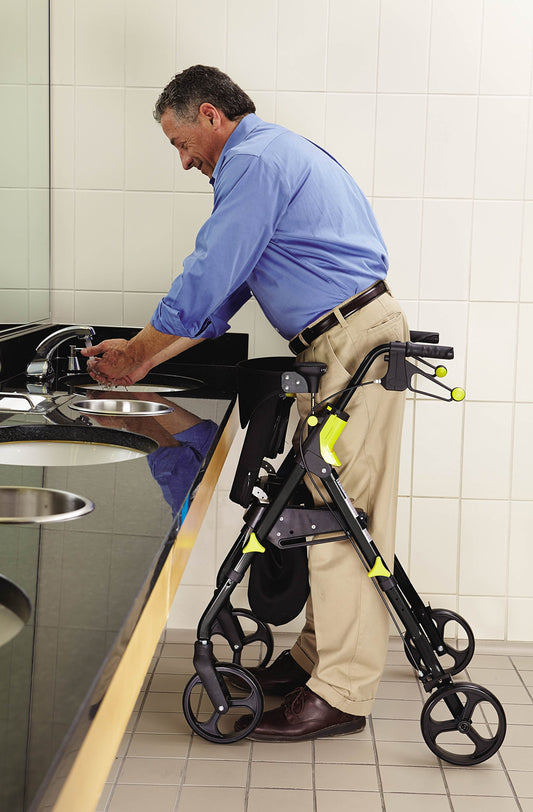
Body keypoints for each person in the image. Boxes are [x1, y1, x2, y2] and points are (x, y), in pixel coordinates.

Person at [82, 64, 409, 742]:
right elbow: (220, 300)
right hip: (336, 339)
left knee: (342, 514)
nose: (182, 162)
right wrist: (139, 356)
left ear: (210, 115)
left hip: (352, 340)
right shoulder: (269, 156)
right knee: (320, 506)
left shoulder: (252, 160)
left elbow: (209, 272)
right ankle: (317, 661)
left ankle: (342, 693)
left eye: (180, 143)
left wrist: (138, 354)